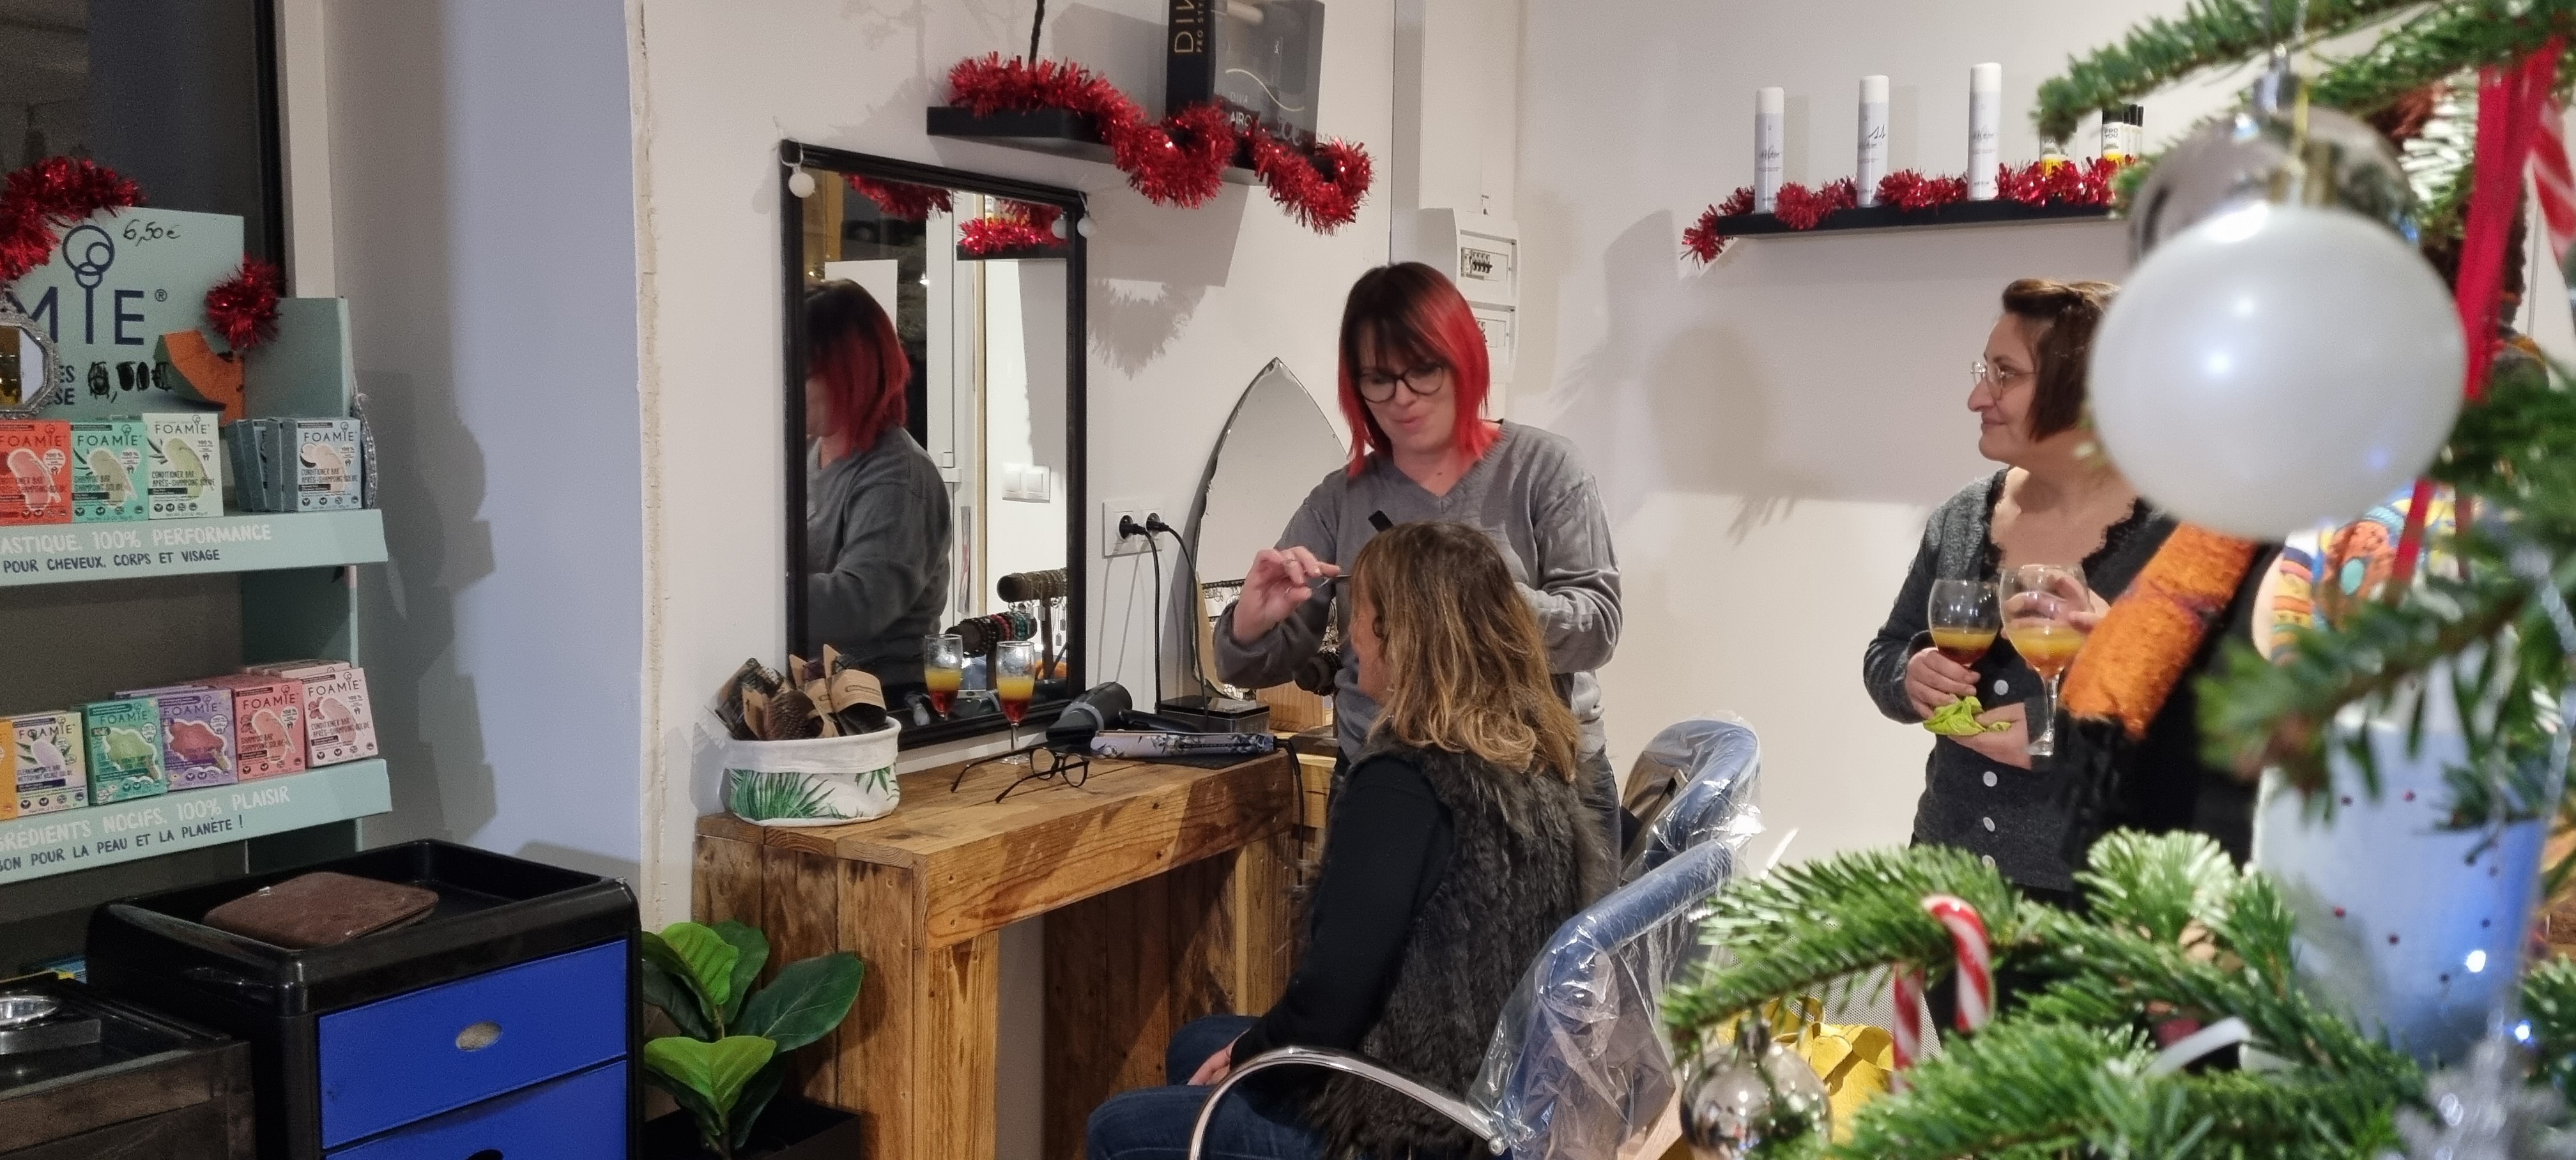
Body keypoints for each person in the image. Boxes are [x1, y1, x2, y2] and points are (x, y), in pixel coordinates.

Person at [1088, 521, 1611, 1160]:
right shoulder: (1532, 752)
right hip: (1497, 1091)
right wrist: (1247, 1049)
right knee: (1197, 1043)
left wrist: (1251, 1054)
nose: (1349, 634)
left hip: (1413, 1124)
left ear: (1397, 633)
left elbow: (1331, 999)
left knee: (1118, 1129)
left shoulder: (1405, 784)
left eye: (1357, 614)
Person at [1214, 262, 1625, 860]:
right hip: (1387, 786)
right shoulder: (1339, 501)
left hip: (1544, 786)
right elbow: (1244, 665)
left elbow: (1597, 628)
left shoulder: (1545, 470)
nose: (1402, 397)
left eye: (1423, 370)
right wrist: (1251, 624)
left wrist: (1473, 598)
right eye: (1378, 379)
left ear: (1463, 360)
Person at [1862, 279, 2171, 905]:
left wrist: (2083, 733)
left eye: (2006, 374)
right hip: (1944, 876)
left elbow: (2225, 729)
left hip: (2103, 904)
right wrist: (1910, 676)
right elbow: (1886, 651)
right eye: (1985, 371)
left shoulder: (2179, 539)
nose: (1978, 397)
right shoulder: (1963, 516)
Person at [802, 280, 952, 689]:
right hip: (820, 693)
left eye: (802, 373)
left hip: (885, 701)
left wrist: (750, 590)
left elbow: (858, 605)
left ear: (848, 374)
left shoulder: (899, 478)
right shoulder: (807, 453)